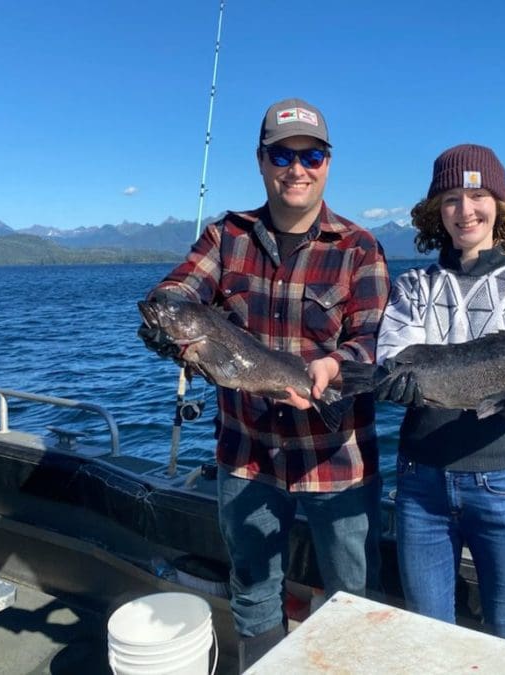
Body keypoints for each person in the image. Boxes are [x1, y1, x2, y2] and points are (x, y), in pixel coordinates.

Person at [139, 97, 390, 669]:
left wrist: (336, 365)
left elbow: (374, 341)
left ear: (328, 163)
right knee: (252, 594)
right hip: (246, 454)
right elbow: (173, 295)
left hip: (339, 461)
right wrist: (167, 328)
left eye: (312, 155)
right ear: (260, 161)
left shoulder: (360, 249)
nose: (296, 168)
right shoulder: (225, 237)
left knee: (354, 601)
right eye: (282, 154)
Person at [375, 144, 505, 646]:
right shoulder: (412, 285)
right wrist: (393, 385)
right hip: (420, 485)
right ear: (437, 210)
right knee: (428, 633)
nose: (466, 210)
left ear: (499, 204)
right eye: (452, 198)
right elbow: (392, 360)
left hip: (504, 484)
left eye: (478, 195)